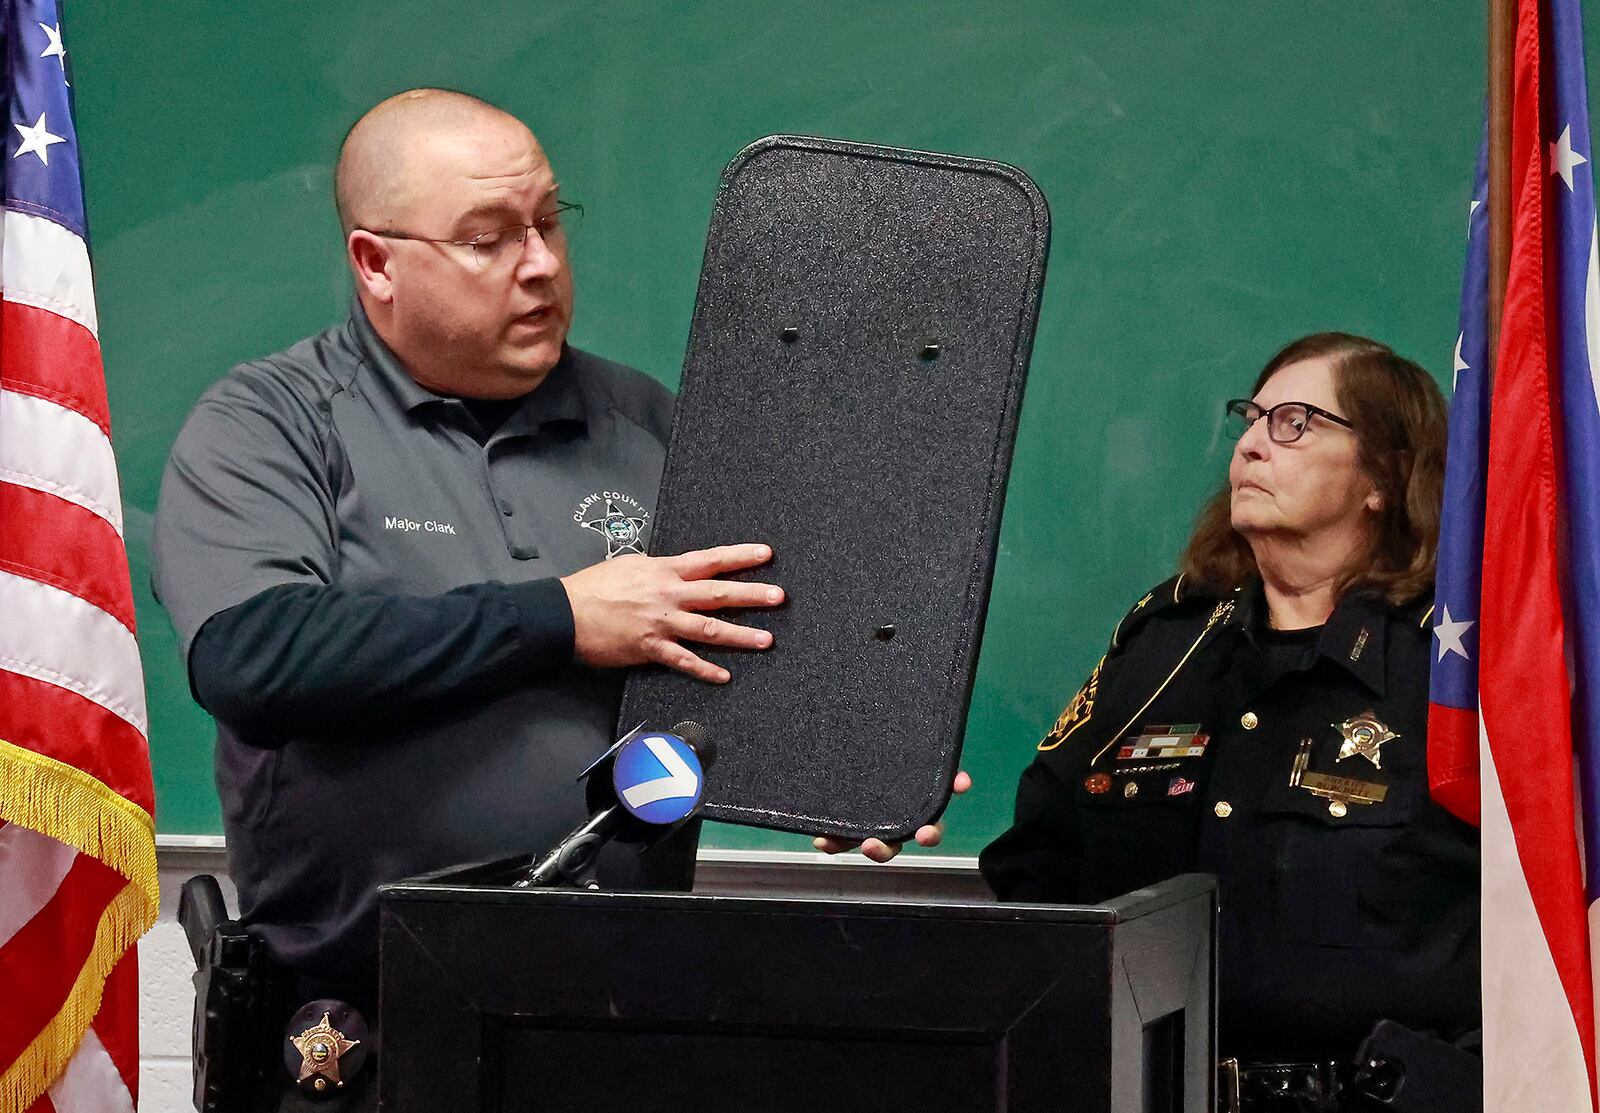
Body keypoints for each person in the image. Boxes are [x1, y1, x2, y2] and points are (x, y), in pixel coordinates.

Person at [153, 88, 949, 1109]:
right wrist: (562, 618)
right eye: (487, 239)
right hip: (360, 1040)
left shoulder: (653, 428)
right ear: (376, 264)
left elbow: (743, 655)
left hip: (618, 1027)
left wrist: (846, 774)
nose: (537, 264)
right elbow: (252, 661)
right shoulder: (272, 425)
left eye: (546, 223)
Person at [980, 333, 1480, 1112]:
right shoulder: (1163, 646)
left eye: (1294, 422)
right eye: (1250, 417)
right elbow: (1036, 865)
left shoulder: (1450, 670)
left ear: (1382, 475)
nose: (1248, 444)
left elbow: (1547, 918)